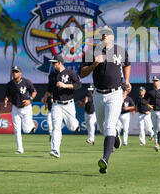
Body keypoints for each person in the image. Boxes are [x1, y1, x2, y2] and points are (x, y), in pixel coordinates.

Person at [79, 25, 131, 174]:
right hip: (98, 93)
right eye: (102, 33)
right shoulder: (92, 52)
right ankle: (115, 134)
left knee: (108, 125)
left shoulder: (120, 51)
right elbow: (82, 74)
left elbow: (127, 64)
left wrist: (127, 80)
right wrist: (94, 64)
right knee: (102, 128)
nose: (103, 36)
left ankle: (105, 160)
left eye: (107, 33)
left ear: (112, 36)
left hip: (115, 93)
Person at [41, 55, 81, 158]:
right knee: (56, 128)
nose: (52, 64)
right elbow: (50, 88)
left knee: (72, 127)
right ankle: (55, 150)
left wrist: (65, 85)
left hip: (69, 104)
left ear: (59, 63)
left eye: (54, 63)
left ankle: (76, 125)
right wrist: (45, 97)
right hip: (56, 104)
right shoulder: (52, 75)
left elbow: (78, 85)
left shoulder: (70, 73)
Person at [4, 66, 37, 154]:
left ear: (20, 73)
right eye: (13, 72)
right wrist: (6, 99)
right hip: (15, 108)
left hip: (26, 108)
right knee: (16, 130)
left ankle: (32, 125)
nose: (15, 73)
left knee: (26, 130)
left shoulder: (26, 82)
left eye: (16, 71)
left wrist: (30, 100)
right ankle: (20, 148)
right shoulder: (10, 84)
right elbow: (7, 95)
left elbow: (34, 92)